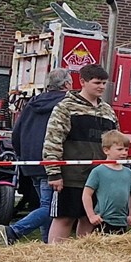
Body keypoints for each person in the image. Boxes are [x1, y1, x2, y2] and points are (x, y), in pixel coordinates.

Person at [42, 64, 116, 243]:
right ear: (82, 82)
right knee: (64, 218)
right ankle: (54, 256)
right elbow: (53, 141)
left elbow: (115, 143)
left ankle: (83, 256)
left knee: (90, 218)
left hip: (99, 177)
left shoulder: (108, 111)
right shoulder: (65, 107)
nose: (101, 87)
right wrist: (54, 173)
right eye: (97, 82)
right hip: (71, 176)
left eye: (104, 83)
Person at [0, 70, 72, 245]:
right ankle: (13, 231)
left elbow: (16, 133)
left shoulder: (32, 103)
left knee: (45, 205)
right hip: (52, 163)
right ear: (67, 84)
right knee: (51, 207)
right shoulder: (67, 103)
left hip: (30, 162)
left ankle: (48, 244)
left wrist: (23, 155)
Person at [80, 131, 131, 234]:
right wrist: (91, 215)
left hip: (122, 221)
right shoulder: (98, 171)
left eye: (126, 149)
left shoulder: (128, 172)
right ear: (106, 150)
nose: (124, 153)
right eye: (120, 149)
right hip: (103, 220)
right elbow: (86, 194)